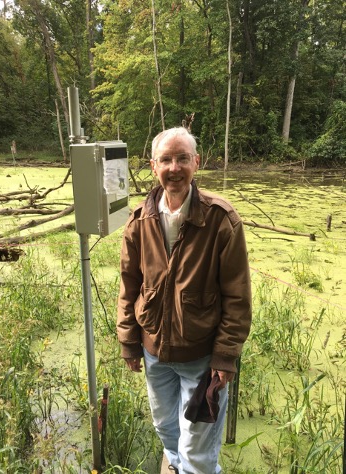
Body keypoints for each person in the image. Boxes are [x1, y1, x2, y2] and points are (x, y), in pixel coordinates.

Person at [117, 127, 252, 474]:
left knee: (198, 448)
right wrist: (129, 342)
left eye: (182, 158)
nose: (173, 167)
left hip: (202, 356)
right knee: (166, 430)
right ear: (153, 166)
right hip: (154, 353)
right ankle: (175, 466)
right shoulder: (139, 221)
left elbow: (237, 296)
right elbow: (129, 286)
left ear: (197, 162)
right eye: (166, 159)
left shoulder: (221, 220)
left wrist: (225, 355)